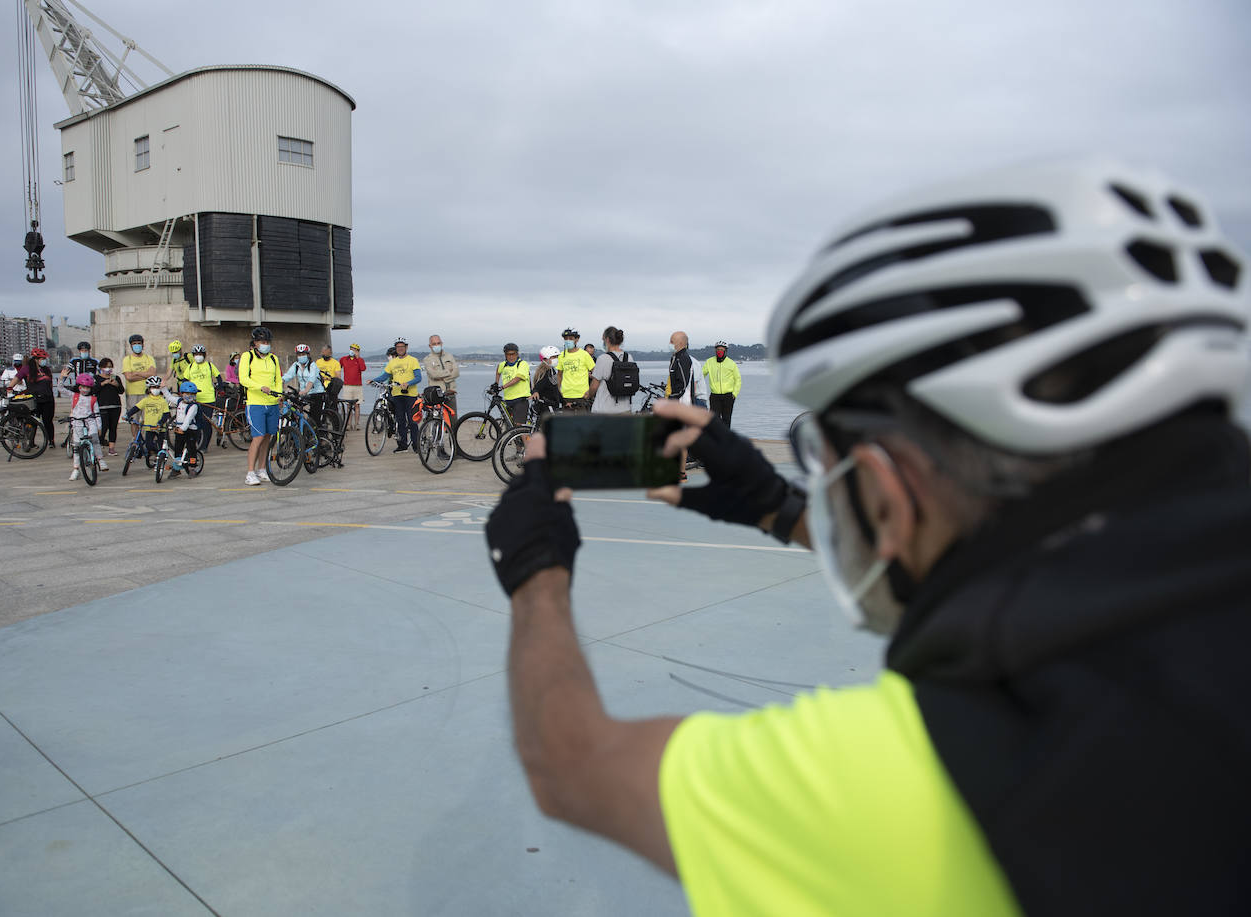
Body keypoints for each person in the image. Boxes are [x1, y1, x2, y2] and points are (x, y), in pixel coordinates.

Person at [484, 158, 1251, 916]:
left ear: (886, 488)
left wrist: (534, 565)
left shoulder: (929, 768)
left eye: (834, 458)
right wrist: (782, 507)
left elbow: (570, 763)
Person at [239, 326, 282, 485]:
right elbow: (243, 378)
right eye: (263, 341)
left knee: (268, 437)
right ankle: (250, 472)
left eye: (267, 342)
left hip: (272, 403)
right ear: (255, 343)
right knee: (257, 437)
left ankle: (262, 469)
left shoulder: (273, 359)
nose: (266, 344)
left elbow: (278, 379)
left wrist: (278, 394)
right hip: (256, 403)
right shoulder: (247, 357)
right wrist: (260, 387)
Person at [666, 332, 708, 478]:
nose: (670, 343)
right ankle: (679, 471)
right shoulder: (676, 358)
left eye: (672, 341)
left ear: (681, 343)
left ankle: (681, 471)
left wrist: (671, 399)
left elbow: (683, 384)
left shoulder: (683, 359)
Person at [371, 337, 422, 453]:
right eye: (398, 347)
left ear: (406, 347)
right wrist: (373, 380)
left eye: (402, 347)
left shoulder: (412, 360)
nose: (400, 349)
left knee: (412, 420)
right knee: (400, 420)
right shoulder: (393, 362)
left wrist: (408, 383)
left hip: (410, 395)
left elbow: (419, 377)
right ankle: (402, 445)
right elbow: (384, 376)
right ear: (396, 348)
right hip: (397, 395)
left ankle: (416, 445)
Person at [178, 344, 222, 453]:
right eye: (196, 354)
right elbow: (185, 380)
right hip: (194, 399)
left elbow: (218, 377)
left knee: (206, 423)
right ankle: (197, 443)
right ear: (193, 355)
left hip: (208, 398)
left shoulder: (209, 365)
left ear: (204, 355)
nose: (199, 356)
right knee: (196, 423)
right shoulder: (190, 367)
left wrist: (220, 387)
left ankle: (204, 445)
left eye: (201, 354)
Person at [64, 372, 106, 480]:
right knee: (76, 446)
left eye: (88, 387)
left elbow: (97, 414)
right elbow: (61, 389)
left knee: (95, 439)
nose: (85, 390)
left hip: (90, 422)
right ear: (79, 387)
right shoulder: (74, 396)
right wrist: (62, 378)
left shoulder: (93, 399)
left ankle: (100, 460)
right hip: (77, 423)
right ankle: (76, 469)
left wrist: (99, 427)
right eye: (83, 387)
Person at [587, 326, 634, 415]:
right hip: (625, 409)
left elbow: (594, 386)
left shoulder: (603, 359)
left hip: (604, 410)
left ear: (607, 340)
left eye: (603, 340)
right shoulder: (629, 357)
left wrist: (587, 395)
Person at [15, 348, 56, 448]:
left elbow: (50, 384)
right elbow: (17, 378)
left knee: (48, 421)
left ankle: (51, 440)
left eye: (44, 358)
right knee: (33, 422)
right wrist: (9, 388)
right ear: (36, 359)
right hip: (34, 400)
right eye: (42, 358)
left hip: (48, 399)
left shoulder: (46, 369)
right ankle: (31, 442)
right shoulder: (27, 369)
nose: (44, 360)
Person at [161, 381, 202, 477]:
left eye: (192, 394)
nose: (189, 396)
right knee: (178, 448)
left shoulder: (194, 406)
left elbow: (188, 419)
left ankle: (192, 467)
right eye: (187, 393)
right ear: (182, 394)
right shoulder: (179, 401)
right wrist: (163, 388)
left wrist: (183, 428)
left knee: (191, 448)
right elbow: (169, 397)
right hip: (180, 428)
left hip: (191, 429)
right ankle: (177, 468)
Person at [123, 375, 169, 460]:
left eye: (157, 387)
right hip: (149, 427)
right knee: (149, 445)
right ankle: (152, 454)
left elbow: (166, 414)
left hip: (160, 428)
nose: (155, 389)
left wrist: (161, 422)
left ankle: (159, 459)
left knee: (160, 447)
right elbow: (136, 408)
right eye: (153, 387)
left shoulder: (163, 401)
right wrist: (127, 415)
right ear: (149, 388)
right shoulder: (146, 400)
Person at [702, 341, 742, 428]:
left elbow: (738, 379)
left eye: (722, 350)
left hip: (728, 396)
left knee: (726, 419)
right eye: (718, 349)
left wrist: (734, 394)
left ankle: (726, 440)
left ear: (725, 351)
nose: (719, 351)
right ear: (715, 350)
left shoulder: (731, 363)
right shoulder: (709, 362)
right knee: (713, 419)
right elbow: (701, 375)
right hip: (715, 396)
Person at [283, 343, 326, 419]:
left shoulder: (313, 365)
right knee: (293, 404)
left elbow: (311, 379)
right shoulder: (296, 365)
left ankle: (318, 429)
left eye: (303, 354)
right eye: (299, 355)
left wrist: (306, 390)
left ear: (308, 355)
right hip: (304, 394)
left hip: (316, 393)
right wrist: (279, 382)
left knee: (315, 417)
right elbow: (288, 376)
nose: (301, 356)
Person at [557, 327, 594, 412]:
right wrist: (559, 390)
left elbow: (595, 373)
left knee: (582, 423)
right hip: (566, 396)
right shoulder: (562, 355)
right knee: (567, 424)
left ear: (576, 340)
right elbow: (559, 375)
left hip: (582, 395)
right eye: (566, 339)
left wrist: (590, 391)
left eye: (570, 339)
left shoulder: (584, 354)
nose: (568, 341)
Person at [422, 334, 460, 414]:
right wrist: (448, 372)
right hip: (436, 394)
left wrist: (444, 378)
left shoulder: (449, 356)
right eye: (434, 344)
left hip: (450, 393)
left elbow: (456, 372)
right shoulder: (427, 359)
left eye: (438, 343)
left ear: (442, 343)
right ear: (430, 346)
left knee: (453, 420)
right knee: (435, 419)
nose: (437, 345)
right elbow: (433, 375)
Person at [496, 343, 532, 426]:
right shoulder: (503, 365)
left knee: (518, 426)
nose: (511, 357)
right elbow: (498, 370)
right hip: (508, 400)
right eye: (508, 354)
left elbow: (517, 379)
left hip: (520, 400)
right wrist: (496, 383)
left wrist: (502, 387)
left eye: (513, 354)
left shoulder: (522, 364)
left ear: (517, 354)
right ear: (505, 355)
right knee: (509, 426)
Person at [94, 357, 124, 456]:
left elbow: (121, 391)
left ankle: (111, 448)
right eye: (106, 367)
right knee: (103, 427)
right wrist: (103, 383)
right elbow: (93, 390)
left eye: (110, 367)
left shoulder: (116, 377)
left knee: (113, 427)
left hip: (115, 405)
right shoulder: (96, 378)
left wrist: (116, 385)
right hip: (102, 406)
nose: (108, 369)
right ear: (101, 368)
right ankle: (99, 444)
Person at [121, 333, 156, 412]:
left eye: (139, 343)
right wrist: (145, 374)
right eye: (134, 344)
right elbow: (129, 377)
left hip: (147, 392)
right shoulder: (127, 359)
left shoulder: (149, 358)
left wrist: (136, 373)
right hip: (132, 394)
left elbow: (152, 374)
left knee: (147, 418)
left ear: (143, 345)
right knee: (134, 419)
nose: (137, 345)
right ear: (131, 346)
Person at [339, 344, 366, 430]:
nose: (352, 351)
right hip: (347, 386)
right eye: (351, 349)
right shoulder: (343, 359)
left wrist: (358, 358)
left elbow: (363, 368)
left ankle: (357, 424)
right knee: (348, 406)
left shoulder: (360, 360)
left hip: (358, 386)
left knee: (357, 405)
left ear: (358, 351)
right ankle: (348, 424)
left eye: (355, 350)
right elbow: (337, 368)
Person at [531, 345, 563, 411]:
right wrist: (535, 392)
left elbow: (555, 388)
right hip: (546, 407)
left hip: (554, 405)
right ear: (546, 358)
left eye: (556, 357)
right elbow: (538, 386)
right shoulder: (544, 372)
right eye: (553, 357)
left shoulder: (552, 370)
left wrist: (564, 402)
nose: (556, 359)